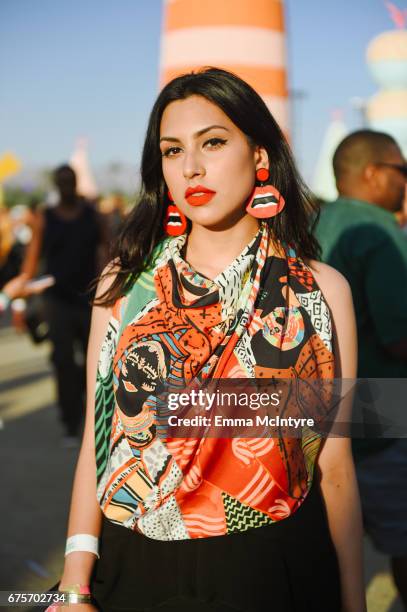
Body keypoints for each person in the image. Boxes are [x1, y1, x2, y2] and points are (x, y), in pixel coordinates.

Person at [52, 69, 365, 612]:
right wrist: (75, 583)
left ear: (261, 156)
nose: (190, 166)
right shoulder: (125, 286)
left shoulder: (319, 289)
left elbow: (334, 465)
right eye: (172, 151)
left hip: (274, 567)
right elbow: (96, 443)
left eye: (213, 142)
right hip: (134, 565)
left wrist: (354, 602)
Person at [315, 129, 407, 608]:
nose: (405, 182)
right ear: (373, 173)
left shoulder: (316, 221)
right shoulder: (378, 227)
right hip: (382, 415)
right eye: (401, 170)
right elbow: (399, 338)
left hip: (315, 413)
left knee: (329, 552)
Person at [21, 165, 108, 445]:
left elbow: (106, 253)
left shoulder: (92, 217)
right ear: (56, 185)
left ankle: (92, 416)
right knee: (63, 362)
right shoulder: (44, 218)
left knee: (93, 361)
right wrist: (22, 300)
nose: (66, 185)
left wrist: (109, 291)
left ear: (76, 182)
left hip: (88, 299)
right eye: (61, 181)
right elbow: (33, 257)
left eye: (70, 180)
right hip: (56, 301)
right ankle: (70, 422)